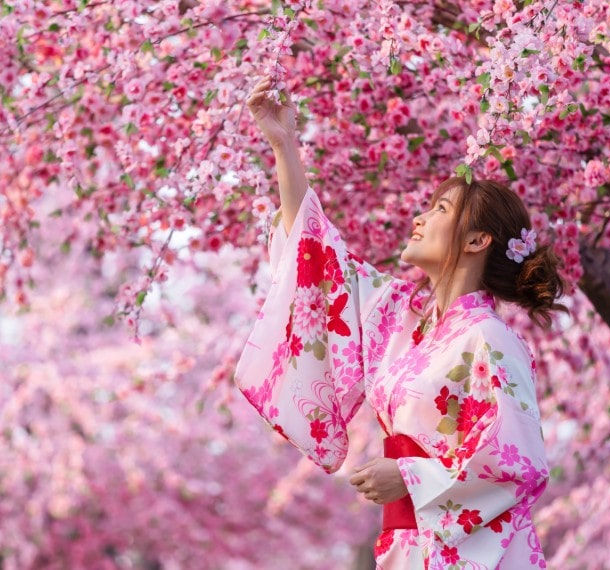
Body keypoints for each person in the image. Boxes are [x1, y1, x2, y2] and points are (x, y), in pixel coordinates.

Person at [235, 76, 565, 569]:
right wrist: (284, 144)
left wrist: (410, 476)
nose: (419, 218)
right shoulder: (402, 317)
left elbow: (518, 464)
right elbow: (319, 262)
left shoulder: (490, 338)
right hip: (409, 547)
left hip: (469, 553)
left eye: (440, 209)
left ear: (477, 241)